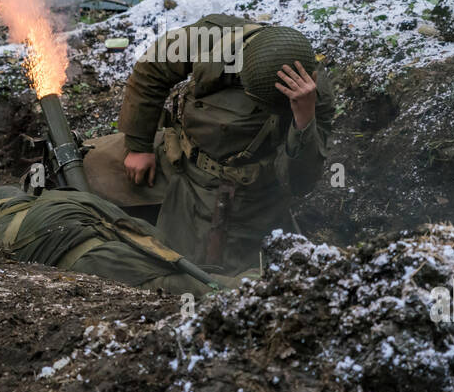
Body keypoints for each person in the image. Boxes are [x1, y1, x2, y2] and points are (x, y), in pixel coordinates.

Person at [115, 14, 333, 273]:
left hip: (245, 193)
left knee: (198, 271)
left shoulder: (314, 94)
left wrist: (304, 119)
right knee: (90, 174)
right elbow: (152, 68)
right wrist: (139, 145)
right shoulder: (209, 39)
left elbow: (300, 183)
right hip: (179, 154)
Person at [0, 186, 247, 296]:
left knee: (189, 285)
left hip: (91, 256)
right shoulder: (54, 199)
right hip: (98, 257)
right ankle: (263, 286)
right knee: (195, 287)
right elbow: (139, 229)